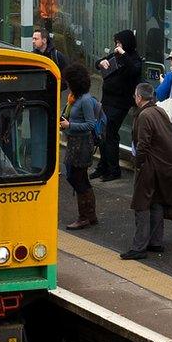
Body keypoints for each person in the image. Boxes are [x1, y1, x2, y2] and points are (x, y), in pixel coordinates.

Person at [122, 83, 172, 261]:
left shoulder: (144, 115)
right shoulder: (159, 111)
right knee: (156, 202)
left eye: (135, 95)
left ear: (139, 97)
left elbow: (143, 144)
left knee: (141, 205)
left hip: (148, 167)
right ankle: (155, 241)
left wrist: (138, 163)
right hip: (162, 166)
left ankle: (139, 246)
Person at [94, 29, 143, 181]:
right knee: (102, 133)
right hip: (107, 100)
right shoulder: (115, 55)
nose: (117, 46)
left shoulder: (133, 58)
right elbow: (99, 63)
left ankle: (113, 169)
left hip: (120, 102)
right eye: (116, 43)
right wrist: (100, 62)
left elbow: (134, 70)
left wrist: (123, 54)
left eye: (120, 43)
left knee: (110, 133)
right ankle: (103, 166)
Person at [62, 62, 103, 230]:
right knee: (80, 178)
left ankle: (84, 216)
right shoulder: (75, 98)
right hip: (75, 142)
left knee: (77, 178)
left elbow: (90, 125)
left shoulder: (85, 100)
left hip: (81, 144)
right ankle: (89, 214)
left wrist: (69, 125)